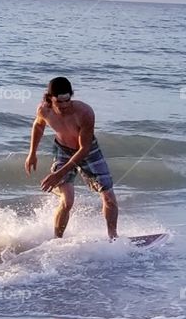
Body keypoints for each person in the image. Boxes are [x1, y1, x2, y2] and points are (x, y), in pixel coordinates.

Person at [24, 77, 118, 239]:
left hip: (88, 151)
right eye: (59, 102)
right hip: (62, 150)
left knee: (109, 197)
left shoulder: (85, 113)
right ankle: (57, 240)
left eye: (67, 100)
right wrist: (32, 153)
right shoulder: (44, 110)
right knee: (67, 202)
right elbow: (39, 125)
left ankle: (113, 237)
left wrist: (58, 174)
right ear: (49, 98)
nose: (65, 105)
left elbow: (84, 148)